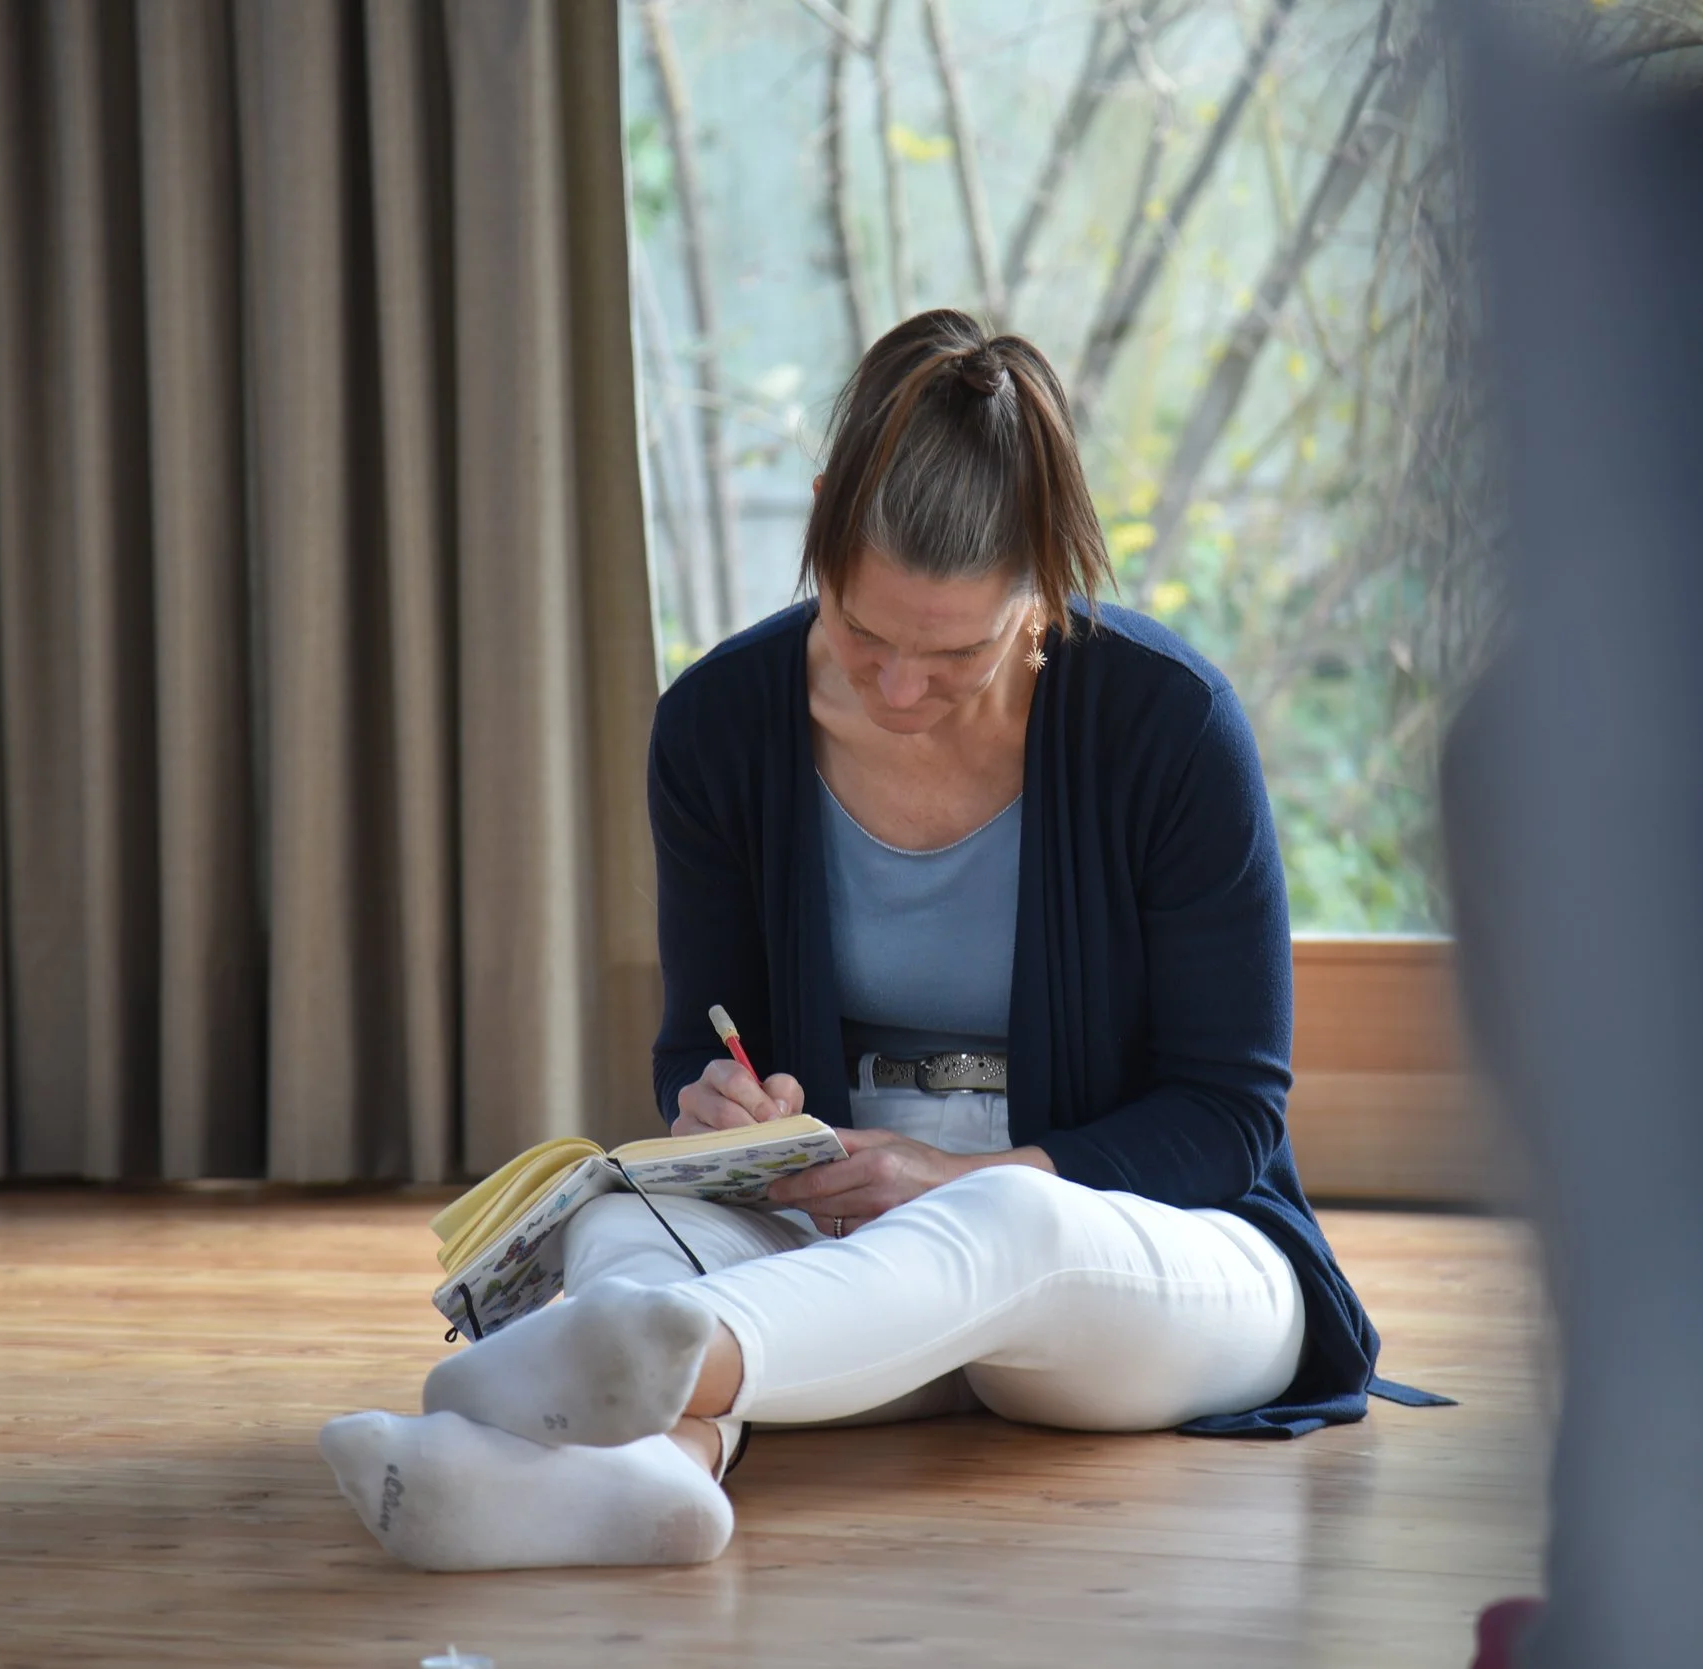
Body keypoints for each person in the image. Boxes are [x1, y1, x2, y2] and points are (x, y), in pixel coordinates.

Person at [319, 309, 1402, 1572]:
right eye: (862, 631)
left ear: (1044, 585)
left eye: (953, 652)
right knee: (623, 1229)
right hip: (838, 1267)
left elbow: (1228, 1119)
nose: (898, 692)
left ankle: (589, 1378)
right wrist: (721, 1109)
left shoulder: (1167, 728)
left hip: (1131, 1264)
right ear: (824, 517)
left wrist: (947, 1180)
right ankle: (650, 1481)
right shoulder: (721, 724)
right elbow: (698, 1037)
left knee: (1008, 1226)